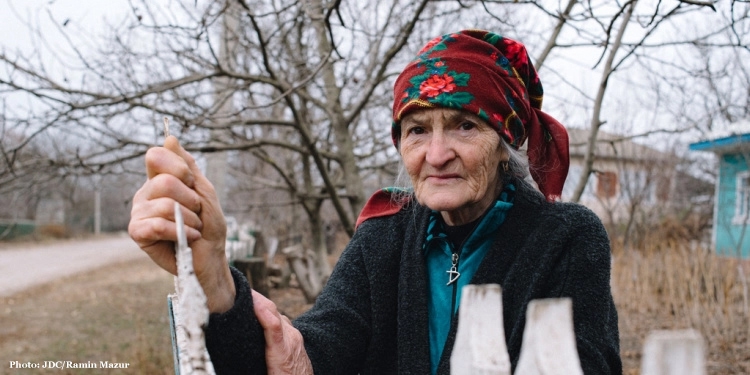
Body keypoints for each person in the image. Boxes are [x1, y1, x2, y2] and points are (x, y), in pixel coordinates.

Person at [129, 29, 621, 374]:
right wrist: (212, 271)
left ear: (503, 141)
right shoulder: (384, 238)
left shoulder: (566, 238)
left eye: (464, 126)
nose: (436, 154)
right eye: (417, 130)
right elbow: (313, 354)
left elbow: (581, 364)